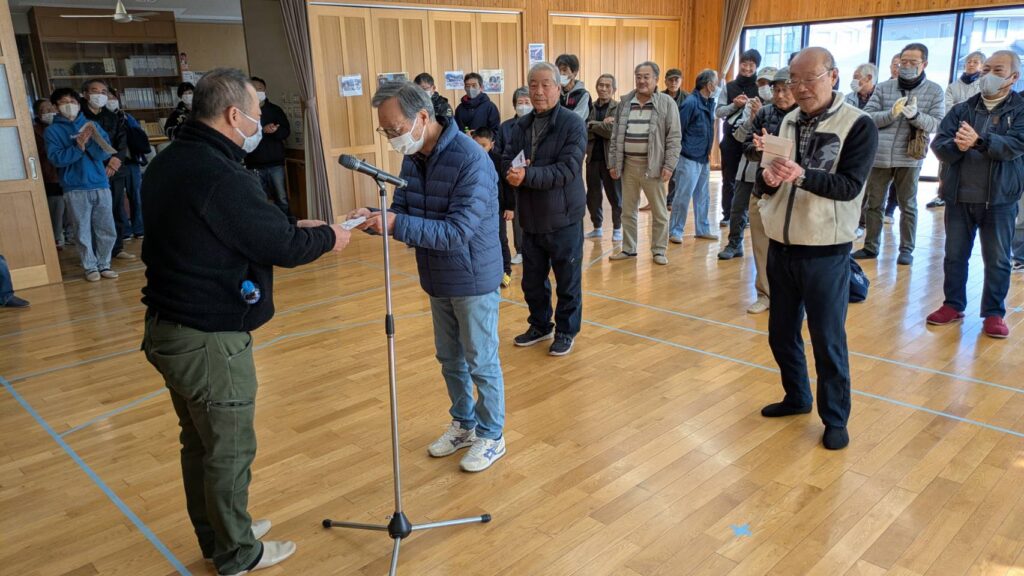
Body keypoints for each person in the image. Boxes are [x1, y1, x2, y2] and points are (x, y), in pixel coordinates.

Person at [141, 68, 348, 575]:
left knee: (200, 443)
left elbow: (228, 227)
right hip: (207, 338)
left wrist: (290, 223)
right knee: (229, 450)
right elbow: (280, 247)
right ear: (234, 115)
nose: (259, 123)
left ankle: (219, 534)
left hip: (168, 326)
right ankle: (237, 554)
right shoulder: (220, 174)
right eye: (255, 115)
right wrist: (329, 237)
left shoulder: (171, 161)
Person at [350, 81, 506, 472]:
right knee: (449, 358)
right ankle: (464, 424)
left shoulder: (471, 160)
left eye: (395, 129)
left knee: (480, 361)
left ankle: (492, 435)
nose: (392, 138)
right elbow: (404, 210)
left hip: (472, 277)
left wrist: (395, 224)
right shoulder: (414, 156)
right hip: (436, 275)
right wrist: (375, 216)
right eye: (385, 131)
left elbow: (457, 232)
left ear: (422, 117)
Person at [756, 47, 879, 450]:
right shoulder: (787, 120)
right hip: (782, 245)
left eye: (810, 79)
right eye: (794, 80)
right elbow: (768, 178)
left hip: (826, 251)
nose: (800, 88)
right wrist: (769, 180)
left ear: (833, 76)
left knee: (827, 340)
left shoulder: (858, 125)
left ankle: (836, 418)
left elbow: (849, 187)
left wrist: (802, 176)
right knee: (780, 333)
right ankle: (797, 396)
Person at [926, 50, 1023, 339]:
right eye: (986, 69)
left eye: (997, 70)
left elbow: (1015, 145)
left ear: (1013, 77)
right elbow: (939, 145)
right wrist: (958, 146)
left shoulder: (1020, 110)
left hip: (1000, 199)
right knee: (954, 255)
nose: (988, 75)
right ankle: (953, 305)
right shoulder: (962, 109)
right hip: (959, 197)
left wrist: (979, 141)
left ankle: (994, 313)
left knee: (997, 260)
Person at [502, 62, 587, 355]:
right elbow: (506, 157)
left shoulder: (572, 124)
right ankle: (540, 325)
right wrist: (511, 172)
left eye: (545, 85)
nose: (538, 91)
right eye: (533, 85)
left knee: (567, 280)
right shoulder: (521, 125)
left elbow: (567, 169)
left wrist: (527, 175)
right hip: (531, 217)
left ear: (558, 88)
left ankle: (566, 330)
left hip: (564, 216)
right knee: (532, 281)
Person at [855, 43, 945, 266]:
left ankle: (906, 249)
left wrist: (915, 116)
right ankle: (870, 247)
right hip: (880, 154)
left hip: (910, 156)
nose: (906, 66)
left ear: (924, 64)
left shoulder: (934, 90)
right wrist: (891, 114)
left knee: (908, 205)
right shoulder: (884, 87)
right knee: (874, 203)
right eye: (903, 62)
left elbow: (937, 124)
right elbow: (868, 116)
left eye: (913, 62)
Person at [608, 61, 681, 265]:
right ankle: (629, 248)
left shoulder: (667, 103)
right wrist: (613, 162)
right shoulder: (625, 102)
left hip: (654, 166)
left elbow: (674, 137)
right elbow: (615, 136)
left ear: (656, 79)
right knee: (627, 211)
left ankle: (659, 250)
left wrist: (669, 165)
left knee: (659, 212)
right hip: (628, 165)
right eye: (638, 76)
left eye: (646, 77)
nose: (641, 81)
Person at [736, 67, 797, 314]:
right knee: (761, 244)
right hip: (763, 187)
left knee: (793, 247)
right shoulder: (764, 113)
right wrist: (758, 149)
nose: (780, 95)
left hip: (793, 190)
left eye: (785, 90)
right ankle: (765, 294)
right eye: (776, 90)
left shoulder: (805, 116)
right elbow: (747, 147)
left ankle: (794, 298)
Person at [45, 87, 119, 282]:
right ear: (56, 107)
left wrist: (90, 141)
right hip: (74, 187)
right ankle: (90, 267)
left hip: (100, 183)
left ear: (79, 104)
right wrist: (78, 146)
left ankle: (104, 264)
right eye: (64, 102)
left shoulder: (91, 125)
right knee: (81, 230)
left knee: (106, 227)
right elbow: (57, 159)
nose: (69, 106)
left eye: (73, 102)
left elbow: (104, 153)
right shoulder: (52, 131)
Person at [719, 66, 778, 259]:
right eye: (761, 83)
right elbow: (738, 136)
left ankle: (770, 252)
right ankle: (734, 244)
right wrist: (752, 119)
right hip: (747, 167)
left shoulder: (787, 110)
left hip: (772, 171)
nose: (764, 87)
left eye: (768, 83)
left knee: (768, 212)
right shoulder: (752, 105)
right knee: (738, 207)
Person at [81, 79, 135, 263]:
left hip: (115, 168)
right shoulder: (80, 116)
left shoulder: (113, 117)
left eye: (103, 92)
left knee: (117, 208)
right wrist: (104, 162)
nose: (100, 95)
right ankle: (96, 253)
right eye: (95, 91)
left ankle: (117, 247)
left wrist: (115, 161)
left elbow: (122, 141)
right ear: (85, 94)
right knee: (95, 212)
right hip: (93, 170)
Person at [927, 51, 987, 209]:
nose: (971, 64)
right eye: (969, 61)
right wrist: (962, 108)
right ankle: (942, 193)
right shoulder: (953, 86)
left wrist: (960, 107)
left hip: (975, 132)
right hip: (952, 130)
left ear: (982, 66)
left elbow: (979, 108)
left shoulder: (983, 85)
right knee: (944, 163)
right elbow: (948, 107)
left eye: (975, 62)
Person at [669, 69, 720, 244]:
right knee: (683, 196)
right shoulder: (691, 102)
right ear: (709, 85)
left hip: (703, 158)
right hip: (688, 157)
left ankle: (702, 229)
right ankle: (675, 231)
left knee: (703, 196)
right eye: (716, 83)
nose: (717, 86)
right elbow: (678, 130)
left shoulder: (709, 102)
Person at [716, 49, 762, 227]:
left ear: (756, 67)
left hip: (752, 140)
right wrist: (734, 105)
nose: (747, 68)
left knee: (750, 179)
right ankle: (727, 214)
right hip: (730, 140)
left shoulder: (761, 88)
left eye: (751, 65)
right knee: (728, 178)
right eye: (744, 63)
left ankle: (746, 216)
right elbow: (718, 112)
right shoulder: (729, 86)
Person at [472, 126, 514, 288]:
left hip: (497, 209)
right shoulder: (469, 159)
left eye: (484, 145)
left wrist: (510, 207)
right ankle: (487, 272)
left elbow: (508, 185)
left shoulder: (499, 161)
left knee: (501, 239)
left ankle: (506, 271)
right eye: (477, 145)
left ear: (492, 144)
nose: (480, 149)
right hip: (477, 209)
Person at [245, 77, 292, 218]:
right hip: (253, 164)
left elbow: (286, 132)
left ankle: (287, 225)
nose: (257, 91)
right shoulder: (244, 111)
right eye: (254, 89)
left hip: (275, 163)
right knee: (260, 200)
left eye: (259, 88)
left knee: (282, 199)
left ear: (265, 90)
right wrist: (261, 131)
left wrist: (275, 130)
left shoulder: (275, 110)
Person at [108, 89, 150, 240]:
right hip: (113, 163)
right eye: (107, 97)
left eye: (112, 97)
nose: (110, 100)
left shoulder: (126, 116)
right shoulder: (103, 119)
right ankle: (124, 230)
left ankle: (139, 228)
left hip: (131, 161)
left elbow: (139, 135)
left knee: (136, 195)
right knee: (118, 198)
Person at [495, 86, 531, 264]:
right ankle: (520, 250)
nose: (523, 105)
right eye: (520, 102)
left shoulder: (537, 124)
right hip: (511, 174)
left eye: (527, 102)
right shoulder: (506, 126)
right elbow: (499, 151)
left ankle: (533, 250)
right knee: (515, 213)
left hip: (531, 174)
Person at [584, 74, 622, 242]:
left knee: (616, 196)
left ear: (614, 89)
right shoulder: (589, 107)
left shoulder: (619, 108)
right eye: (601, 85)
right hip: (592, 158)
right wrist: (602, 126)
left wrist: (593, 125)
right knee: (593, 197)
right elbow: (584, 130)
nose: (603, 88)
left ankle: (617, 228)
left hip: (611, 160)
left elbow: (613, 132)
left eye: (607, 86)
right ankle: (597, 228)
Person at [33, 98, 65, 249]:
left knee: (68, 207)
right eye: (44, 110)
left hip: (66, 172)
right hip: (49, 175)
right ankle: (56, 237)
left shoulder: (63, 125)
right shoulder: (35, 130)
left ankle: (69, 234)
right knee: (55, 208)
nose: (49, 112)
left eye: (50, 108)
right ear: (38, 114)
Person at [555, 54, 591, 120]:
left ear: (574, 72)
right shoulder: (555, 92)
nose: (561, 73)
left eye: (564, 70)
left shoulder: (583, 94)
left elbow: (577, 118)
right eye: (558, 70)